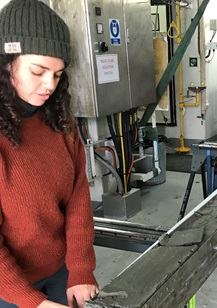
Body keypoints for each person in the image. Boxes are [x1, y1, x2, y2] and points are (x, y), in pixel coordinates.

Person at [0, 0, 99, 307]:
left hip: (61, 271)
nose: (49, 86)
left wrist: (81, 268)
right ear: (6, 63)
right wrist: (32, 301)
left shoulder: (58, 122)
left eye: (57, 74)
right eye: (38, 71)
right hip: (8, 286)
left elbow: (78, 196)